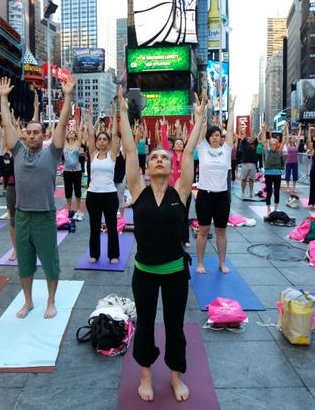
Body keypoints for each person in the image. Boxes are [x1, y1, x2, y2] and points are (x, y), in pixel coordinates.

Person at [119, 84, 206, 403]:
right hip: (144, 272)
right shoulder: (138, 191)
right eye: (153, 157)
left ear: (171, 167)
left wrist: (199, 118)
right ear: (146, 167)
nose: (158, 159)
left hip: (173, 274)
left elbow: (191, 150)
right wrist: (121, 111)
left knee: (175, 326)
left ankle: (174, 376)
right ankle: (145, 376)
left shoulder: (180, 192)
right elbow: (130, 149)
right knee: (144, 327)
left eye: (163, 157)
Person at [0, 75, 75, 319]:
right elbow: (8, 126)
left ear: (44, 136)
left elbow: (62, 126)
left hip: (44, 216)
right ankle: (28, 301)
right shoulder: (18, 151)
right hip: (22, 215)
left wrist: (68, 96)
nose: (31, 135)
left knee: (50, 261)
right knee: (25, 262)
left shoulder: (52, 153)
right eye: (28, 132)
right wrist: (2, 98)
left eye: (36, 132)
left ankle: (51, 301)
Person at [195, 96, 235, 274]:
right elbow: (199, 129)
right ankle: (200, 263)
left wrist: (232, 111)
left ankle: (222, 262)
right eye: (212, 135)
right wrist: (201, 111)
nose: (214, 137)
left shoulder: (226, 150)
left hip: (222, 197)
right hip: (204, 195)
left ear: (221, 138)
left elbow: (231, 132)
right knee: (203, 230)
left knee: (221, 231)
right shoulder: (202, 149)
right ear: (208, 138)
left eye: (217, 135)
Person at [84, 107, 120, 264]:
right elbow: (91, 136)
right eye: (100, 139)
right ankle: (94, 254)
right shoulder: (93, 154)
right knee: (94, 226)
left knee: (112, 226)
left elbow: (115, 134)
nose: (102, 141)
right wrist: (91, 118)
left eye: (105, 139)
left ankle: (113, 255)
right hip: (93, 195)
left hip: (110, 194)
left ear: (109, 142)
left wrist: (114, 118)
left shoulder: (112, 155)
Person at [63, 125, 85, 221]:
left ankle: (78, 209)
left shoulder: (77, 143)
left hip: (77, 171)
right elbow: (62, 131)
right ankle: (68, 208)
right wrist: (66, 127)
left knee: (77, 189)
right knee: (68, 190)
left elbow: (80, 133)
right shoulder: (64, 143)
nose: (71, 133)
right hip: (67, 171)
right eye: (70, 132)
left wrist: (79, 124)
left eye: (73, 132)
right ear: (67, 135)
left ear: (75, 136)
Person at [263, 136, 285, 215]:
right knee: (269, 192)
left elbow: (284, 141)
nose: (273, 146)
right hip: (268, 174)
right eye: (271, 144)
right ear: (269, 145)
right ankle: (268, 209)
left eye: (274, 144)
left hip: (277, 174)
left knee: (276, 192)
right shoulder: (267, 151)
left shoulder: (279, 152)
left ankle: (275, 209)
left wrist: (285, 130)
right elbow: (264, 140)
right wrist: (264, 130)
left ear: (276, 145)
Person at [240, 132, 259, 198]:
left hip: (253, 164)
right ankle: (243, 192)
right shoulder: (244, 143)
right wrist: (244, 131)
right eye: (249, 137)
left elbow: (256, 137)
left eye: (251, 138)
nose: (250, 138)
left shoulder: (255, 144)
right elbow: (244, 135)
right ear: (246, 139)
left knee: (251, 179)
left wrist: (254, 134)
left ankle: (251, 192)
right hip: (245, 163)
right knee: (243, 179)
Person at [283, 127, 301, 193]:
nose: (293, 139)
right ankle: (288, 187)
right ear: (290, 140)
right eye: (292, 138)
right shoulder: (288, 145)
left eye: (294, 138)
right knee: (288, 175)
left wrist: (300, 128)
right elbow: (287, 136)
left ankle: (294, 188)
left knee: (295, 175)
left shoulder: (296, 145)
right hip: (288, 162)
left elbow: (299, 137)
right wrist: (287, 128)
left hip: (295, 163)